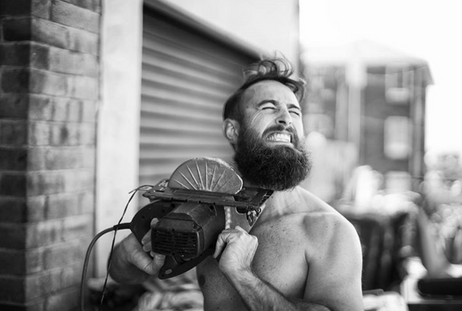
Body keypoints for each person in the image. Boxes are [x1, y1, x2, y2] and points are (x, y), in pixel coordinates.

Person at [110, 58, 364, 310]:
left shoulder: (330, 231)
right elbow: (126, 275)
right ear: (233, 131)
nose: (286, 118)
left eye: (294, 111)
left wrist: (242, 275)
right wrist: (128, 254)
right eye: (268, 107)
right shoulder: (201, 210)